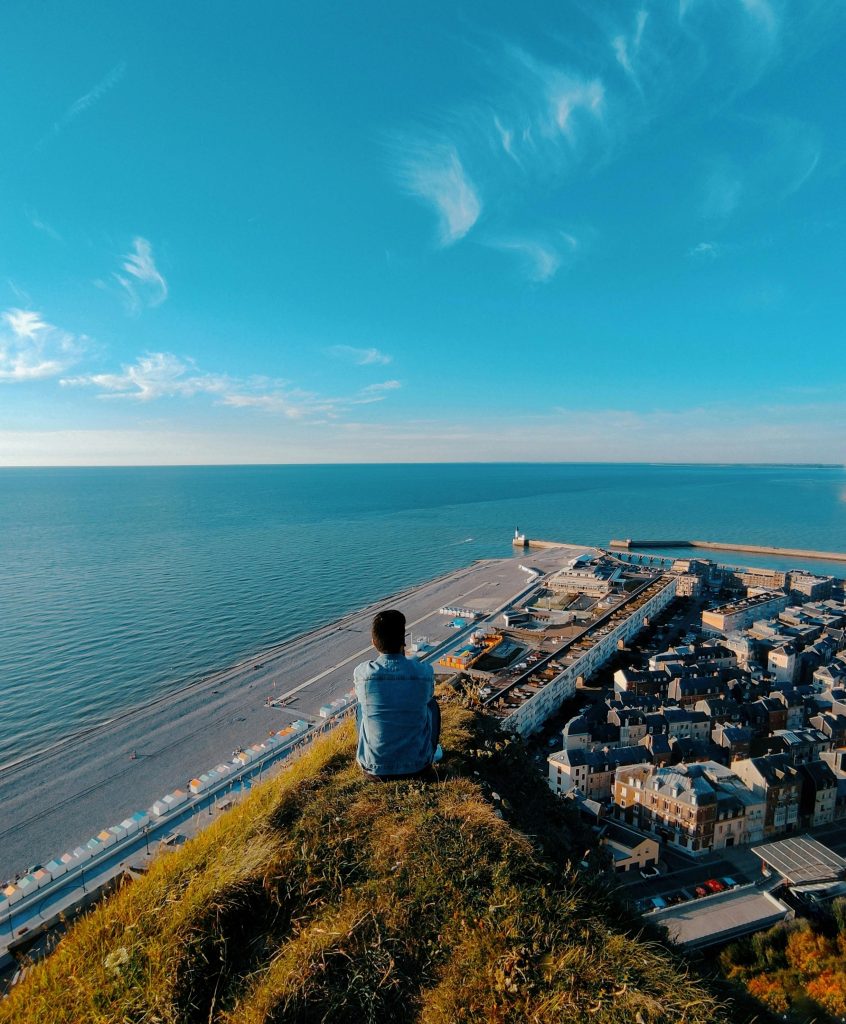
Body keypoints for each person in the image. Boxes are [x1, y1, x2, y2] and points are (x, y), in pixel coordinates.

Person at [354, 608, 441, 781]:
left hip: (375, 770)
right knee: (431, 705)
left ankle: (371, 752)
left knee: (361, 707)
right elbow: (425, 699)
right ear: (403, 641)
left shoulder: (362, 673)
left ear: (374, 642)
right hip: (418, 766)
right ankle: (430, 750)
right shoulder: (424, 672)